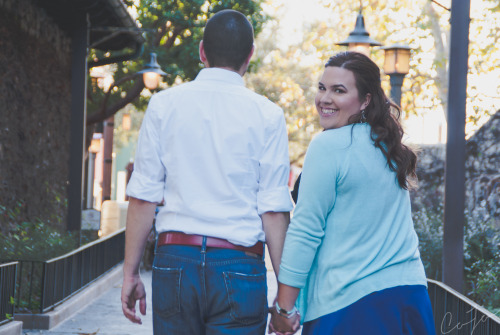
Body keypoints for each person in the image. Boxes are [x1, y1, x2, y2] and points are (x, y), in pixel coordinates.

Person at [121, 9, 294, 335]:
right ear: (250, 55)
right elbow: (273, 209)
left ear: (202, 51)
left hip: (175, 261)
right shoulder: (268, 116)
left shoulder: (163, 105)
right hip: (239, 264)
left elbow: (143, 197)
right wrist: (284, 302)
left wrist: (130, 274)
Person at [269, 51, 436, 335]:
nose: (324, 98)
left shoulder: (328, 146)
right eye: (322, 88)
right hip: (410, 300)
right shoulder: (388, 146)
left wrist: (284, 308)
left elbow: (306, 230)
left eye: (339, 90)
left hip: (352, 307)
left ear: (366, 99)